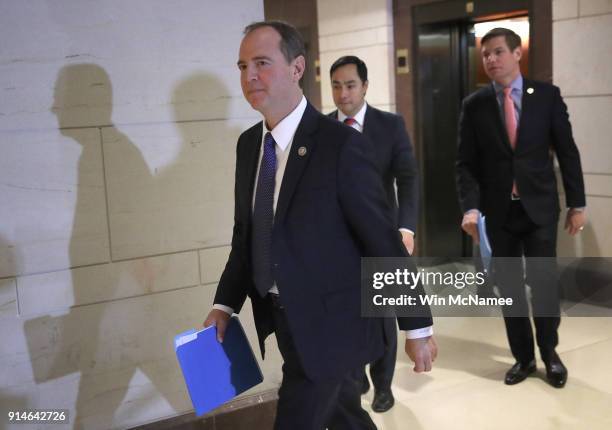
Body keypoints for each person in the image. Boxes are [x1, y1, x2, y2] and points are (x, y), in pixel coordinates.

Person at [203, 21, 437, 429]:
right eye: (242, 66)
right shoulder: (248, 146)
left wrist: (416, 325)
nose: (249, 76)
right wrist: (225, 304)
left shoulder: (341, 145)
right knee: (346, 416)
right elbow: (247, 235)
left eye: (261, 63)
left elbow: (382, 241)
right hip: (284, 318)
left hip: (336, 324)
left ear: (297, 68)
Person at [456, 27, 586, 389]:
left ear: (517, 54)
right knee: (510, 286)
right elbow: (465, 163)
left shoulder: (545, 96)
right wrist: (470, 208)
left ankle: (550, 353)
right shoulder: (475, 105)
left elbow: (567, 150)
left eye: (498, 52)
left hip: (540, 207)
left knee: (544, 283)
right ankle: (523, 357)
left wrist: (577, 202)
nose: (491, 60)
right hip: (499, 212)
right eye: (486, 55)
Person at [328, 55, 419, 413]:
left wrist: (406, 227)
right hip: (339, 242)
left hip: (383, 236)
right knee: (348, 313)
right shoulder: (321, 130)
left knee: (382, 315)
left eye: (350, 85)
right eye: (336, 85)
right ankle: (355, 376)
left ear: (365, 86)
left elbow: (408, 179)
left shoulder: (389, 126)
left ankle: (383, 385)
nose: (343, 93)